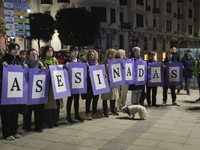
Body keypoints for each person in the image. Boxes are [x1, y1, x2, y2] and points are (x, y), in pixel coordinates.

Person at [0, 43, 22, 140]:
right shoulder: (4, 59)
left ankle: (14, 131)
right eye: (14, 49)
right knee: (6, 112)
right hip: (6, 90)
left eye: (17, 49)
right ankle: (7, 133)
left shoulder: (18, 60)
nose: (16, 51)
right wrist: (2, 66)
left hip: (16, 90)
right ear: (9, 49)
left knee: (15, 112)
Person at [22, 49, 46, 133]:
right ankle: (26, 127)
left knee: (39, 109)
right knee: (28, 110)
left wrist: (43, 68)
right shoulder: (25, 63)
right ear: (28, 56)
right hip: (28, 90)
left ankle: (39, 126)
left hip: (38, 90)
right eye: (32, 54)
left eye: (36, 54)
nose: (35, 55)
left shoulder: (40, 63)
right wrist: (24, 66)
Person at [41, 45, 63, 128]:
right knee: (49, 105)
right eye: (48, 51)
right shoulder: (42, 61)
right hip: (49, 85)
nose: (50, 52)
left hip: (57, 84)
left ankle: (55, 120)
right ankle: (49, 121)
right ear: (45, 52)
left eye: (51, 50)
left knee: (57, 104)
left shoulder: (55, 60)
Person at [64, 46, 84, 124]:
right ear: (71, 52)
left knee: (76, 100)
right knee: (70, 100)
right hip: (70, 83)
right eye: (74, 51)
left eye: (77, 51)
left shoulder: (79, 61)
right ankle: (68, 116)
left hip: (77, 83)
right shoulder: (67, 61)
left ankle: (76, 115)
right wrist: (66, 66)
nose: (76, 53)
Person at [83, 49, 101, 120]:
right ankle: (87, 113)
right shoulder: (86, 64)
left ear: (95, 55)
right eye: (90, 55)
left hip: (96, 83)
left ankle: (94, 111)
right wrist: (88, 74)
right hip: (89, 84)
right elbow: (83, 73)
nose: (91, 56)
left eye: (92, 54)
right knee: (89, 98)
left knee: (96, 98)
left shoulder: (97, 63)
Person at [101, 48, 119, 117]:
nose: (113, 55)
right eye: (112, 53)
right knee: (105, 97)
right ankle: (105, 111)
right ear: (108, 54)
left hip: (114, 81)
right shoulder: (105, 61)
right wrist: (105, 71)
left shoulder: (115, 61)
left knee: (113, 96)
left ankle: (113, 109)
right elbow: (101, 70)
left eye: (114, 53)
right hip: (107, 81)